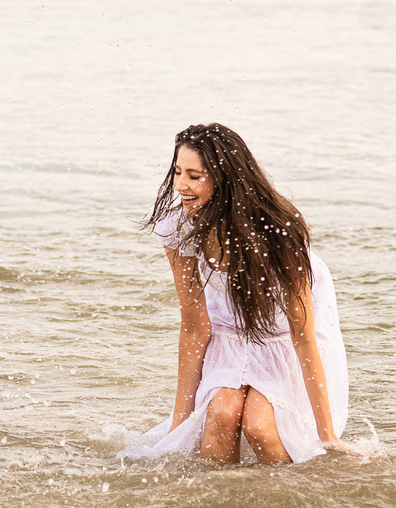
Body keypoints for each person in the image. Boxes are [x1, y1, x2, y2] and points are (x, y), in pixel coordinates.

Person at [121, 124, 353, 464]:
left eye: (194, 176)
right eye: (177, 172)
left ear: (224, 179)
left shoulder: (279, 231)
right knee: (223, 412)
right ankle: (220, 494)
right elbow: (195, 327)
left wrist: (327, 434)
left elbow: (302, 336)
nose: (180, 185)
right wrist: (179, 423)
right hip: (229, 322)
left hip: (280, 329)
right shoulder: (179, 227)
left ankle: (286, 491)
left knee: (259, 426)